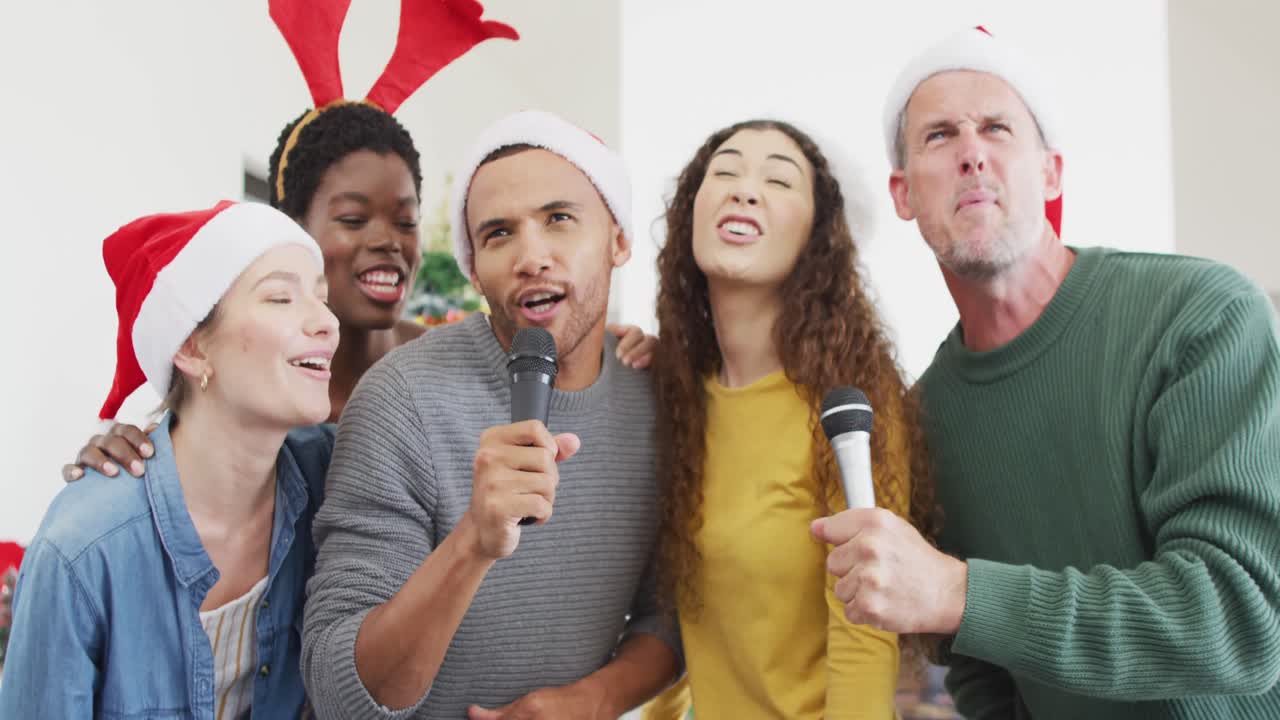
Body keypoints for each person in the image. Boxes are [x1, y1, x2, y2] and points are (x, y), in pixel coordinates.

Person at [811, 27, 1280, 719]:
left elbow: (1238, 619)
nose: (972, 152)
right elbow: (982, 673)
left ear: (1051, 171)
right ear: (904, 193)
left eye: (997, 128)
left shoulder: (1201, 317)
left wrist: (958, 591)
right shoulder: (924, 419)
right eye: (940, 136)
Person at [62, 0, 652, 480]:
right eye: (352, 219)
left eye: (405, 219)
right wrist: (131, 453)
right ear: (289, 230)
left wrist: (614, 344)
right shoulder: (250, 382)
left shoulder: (446, 371)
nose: (388, 242)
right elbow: (188, 462)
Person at [299, 110, 681, 719]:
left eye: (559, 219)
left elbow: (670, 613)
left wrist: (592, 701)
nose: (531, 256)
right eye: (499, 233)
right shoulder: (400, 398)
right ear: (474, 267)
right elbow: (339, 691)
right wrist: (474, 541)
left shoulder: (659, 400)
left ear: (618, 238)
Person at [640, 120, 935, 720]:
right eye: (723, 172)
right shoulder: (674, 398)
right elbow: (683, 618)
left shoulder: (851, 406)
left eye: (777, 180)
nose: (745, 190)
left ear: (817, 236)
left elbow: (866, 632)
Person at [0, 201, 338, 718]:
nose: (327, 322)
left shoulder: (333, 480)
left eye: (321, 296)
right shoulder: (83, 551)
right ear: (192, 347)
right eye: (280, 297)